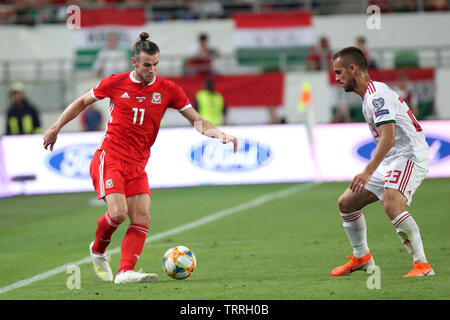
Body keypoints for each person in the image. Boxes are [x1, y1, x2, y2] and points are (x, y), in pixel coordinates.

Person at [43, 32, 238, 284]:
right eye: (147, 65)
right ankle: (98, 250)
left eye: (156, 64)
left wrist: (219, 134)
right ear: (134, 63)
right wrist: (55, 127)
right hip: (110, 157)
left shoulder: (167, 90)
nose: (152, 70)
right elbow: (82, 101)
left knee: (143, 217)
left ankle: (125, 271)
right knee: (118, 213)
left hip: (137, 165)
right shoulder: (115, 83)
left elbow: (196, 120)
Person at [330, 46, 434, 278]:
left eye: (339, 72)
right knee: (347, 203)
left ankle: (422, 265)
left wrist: (367, 172)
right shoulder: (369, 95)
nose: (337, 78)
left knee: (391, 204)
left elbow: (389, 138)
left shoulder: (377, 95)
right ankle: (362, 257)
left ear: (353, 68)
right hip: (392, 158)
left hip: (409, 155)